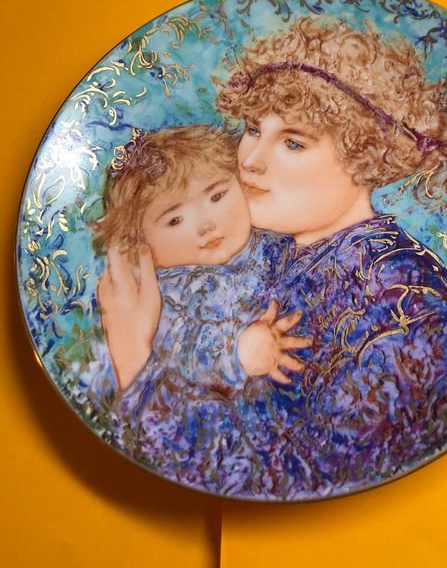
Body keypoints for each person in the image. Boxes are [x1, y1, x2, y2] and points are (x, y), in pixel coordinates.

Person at [211, 16, 447, 498]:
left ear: (366, 158)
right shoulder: (268, 253)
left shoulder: (404, 306)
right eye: (253, 129)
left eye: (293, 142)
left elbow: (321, 480)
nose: (251, 160)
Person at [91, 124, 310, 487]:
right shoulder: (170, 292)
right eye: (175, 220)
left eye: (217, 196)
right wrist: (236, 353)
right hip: (221, 422)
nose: (206, 224)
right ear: (142, 244)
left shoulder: (274, 243)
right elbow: (180, 346)